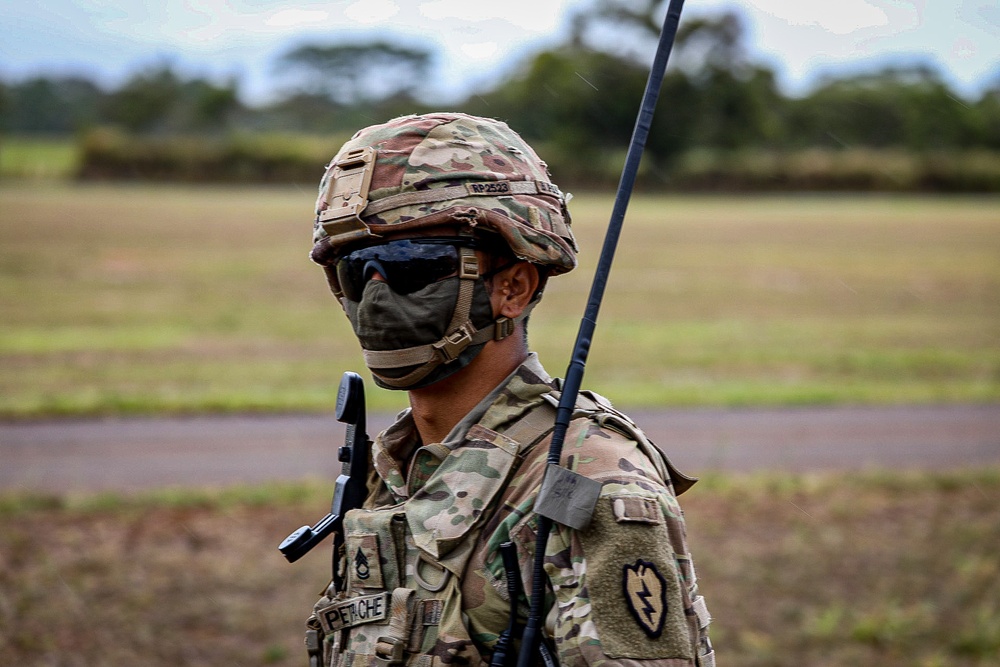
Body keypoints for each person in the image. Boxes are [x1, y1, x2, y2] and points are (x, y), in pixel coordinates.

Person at [304, 112, 714, 667]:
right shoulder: (399, 466)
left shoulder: (584, 483)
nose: (375, 298)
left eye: (410, 267)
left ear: (512, 289)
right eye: (356, 271)